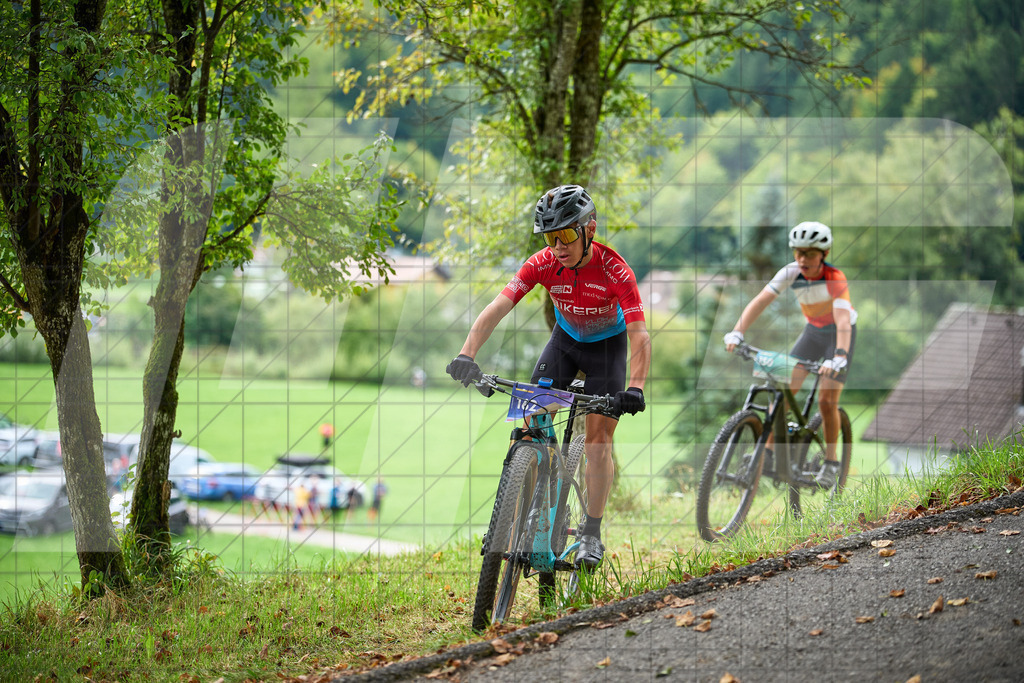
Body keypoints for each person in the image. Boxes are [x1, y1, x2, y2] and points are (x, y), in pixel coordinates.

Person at [446, 184, 651, 570]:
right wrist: (466, 354)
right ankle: (521, 505)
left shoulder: (615, 269)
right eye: (550, 236)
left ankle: (591, 531)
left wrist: (635, 387)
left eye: (566, 235)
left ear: (589, 230)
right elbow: (497, 306)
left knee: (597, 441)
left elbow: (640, 333)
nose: (558, 245)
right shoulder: (541, 263)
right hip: (566, 342)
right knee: (529, 422)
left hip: (608, 349)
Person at [723, 221, 856, 488]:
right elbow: (760, 301)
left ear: (824, 254)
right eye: (798, 252)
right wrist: (737, 331)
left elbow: (842, 321)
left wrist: (839, 356)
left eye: (809, 253)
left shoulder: (834, 278)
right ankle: (769, 452)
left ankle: (831, 462)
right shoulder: (791, 272)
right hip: (813, 332)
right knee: (782, 390)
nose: (802, 259)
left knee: (826, 400)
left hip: (839, 336)